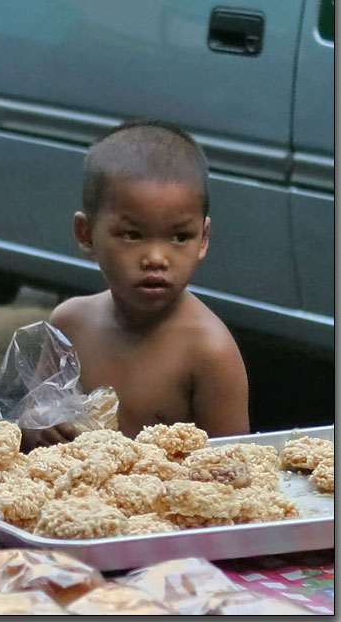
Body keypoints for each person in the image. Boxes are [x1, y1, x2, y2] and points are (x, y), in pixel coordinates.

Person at [22, 121, 249, 449]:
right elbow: (30, 429)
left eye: (180, 237)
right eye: (132, 235)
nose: (157, 257)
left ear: (203, 238)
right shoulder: (68, 324)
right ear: (86, 234)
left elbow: (231, 473)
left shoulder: (209, 351)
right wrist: (41, 427)